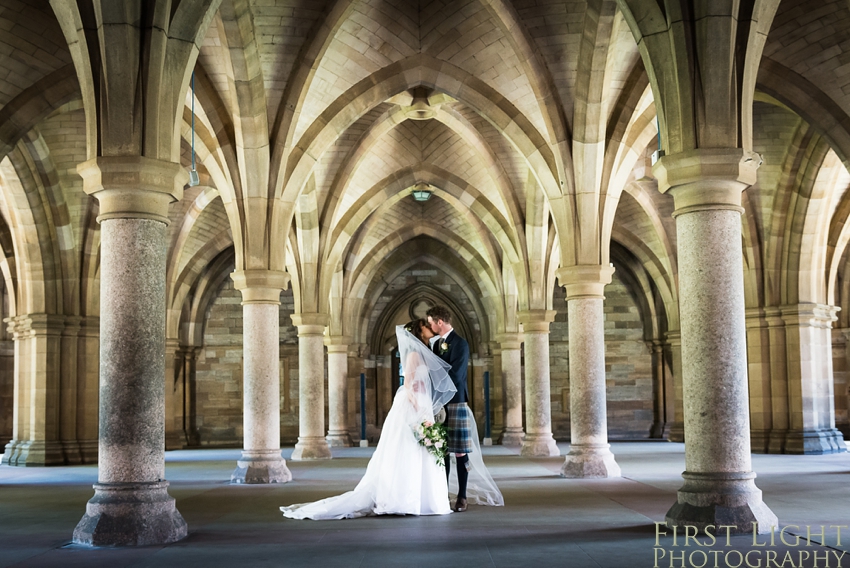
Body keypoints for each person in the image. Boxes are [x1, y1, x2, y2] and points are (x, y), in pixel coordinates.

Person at [280, 320, 456, 519]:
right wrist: (418, 408)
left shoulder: (424, 351)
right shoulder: (414, 354)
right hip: (412, 404)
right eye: (425, 325)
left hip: (422, 403)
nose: (429, 328)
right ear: (419, 331)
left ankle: (425, 499)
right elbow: (408, 384)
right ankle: (405, 498)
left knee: (422, 449)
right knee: (408, 447)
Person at [427, 305, 503, 512]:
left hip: (456, 401)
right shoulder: (435, 345)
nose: (430, 325)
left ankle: (462, 496)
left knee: (460, 452)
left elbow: (457, 375)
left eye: (431, 322)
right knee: (442, 450)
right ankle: (443, 495)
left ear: (439, 322)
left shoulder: (460, 344)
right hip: (439, 403)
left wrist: (436, 385)